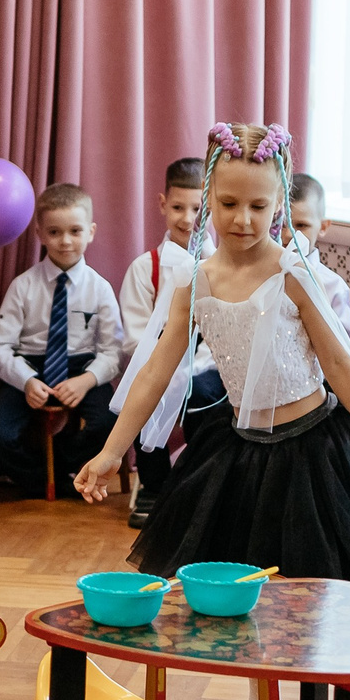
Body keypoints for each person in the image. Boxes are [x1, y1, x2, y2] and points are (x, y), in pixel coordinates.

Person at [79, 121, 350, 591]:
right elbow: (155, 374)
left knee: (315, 594)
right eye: (228, 204)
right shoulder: (196, 281)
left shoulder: (294, 273)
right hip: (239, 453)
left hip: (317, 453)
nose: (242, 219)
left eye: (258, 206)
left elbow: (341, 364)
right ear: (208, 196)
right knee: (245, 597)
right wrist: (111, 450)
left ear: (280, 205)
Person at [0, 184, 126, 499]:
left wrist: (86, 381)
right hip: (30, 367)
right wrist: (26, 381)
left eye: (75, 231)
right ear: (40, 234)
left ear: (91, 232)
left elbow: (112, 352)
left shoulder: (100, 289)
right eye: (55, 232)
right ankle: (45, 479)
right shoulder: (23, 286)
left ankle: (58, 468)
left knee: (110, 423)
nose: (66, 241)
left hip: (82, 365)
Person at [119, 157, 223, 528]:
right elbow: (133, 335)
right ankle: (153, 484)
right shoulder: (144, 268)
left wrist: (191, 371)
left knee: (203, 397)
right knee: (146, 388)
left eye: (197, 209)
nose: (187, 218)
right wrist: (166, 371)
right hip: (157, 360)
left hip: (209, 365)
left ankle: (201, 484)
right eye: (178, 208)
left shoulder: (224, 267)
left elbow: (225, 333)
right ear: (163, 204)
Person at [286, 172, 350, 347]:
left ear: (323, 227)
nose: (289, 234)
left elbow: (346, 347)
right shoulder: (261, 274)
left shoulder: (333, 287)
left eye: (301, 225)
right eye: (282, 223)